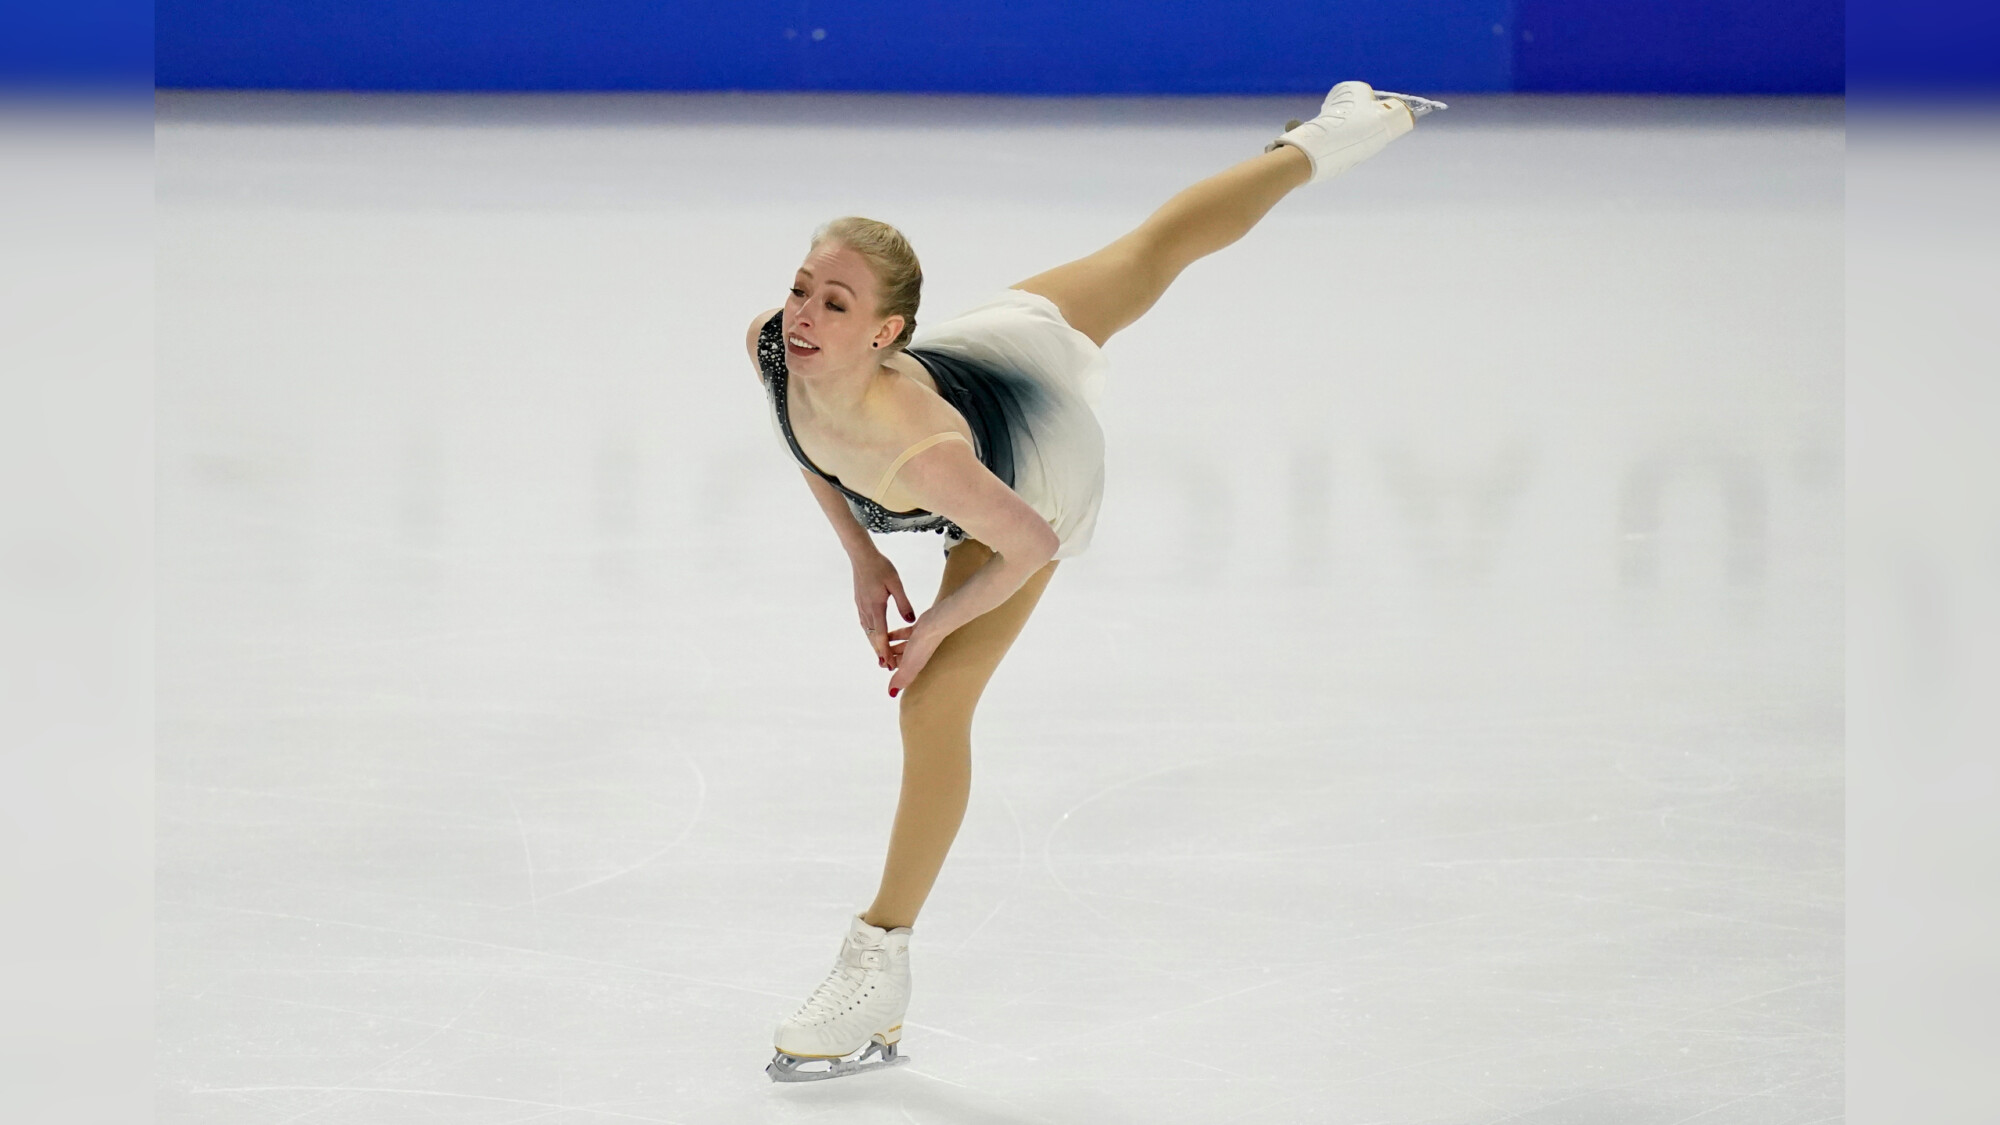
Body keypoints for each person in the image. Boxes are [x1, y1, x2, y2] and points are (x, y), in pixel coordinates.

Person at [750, 81, 1444, 1082]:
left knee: (930, 709)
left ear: (885, 333)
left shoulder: (930, 455)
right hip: (995, 354)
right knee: (1147, 251)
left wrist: (942, 619)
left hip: (1028, 471)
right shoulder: (776, 347)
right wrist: (862, 556)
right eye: (803, 287)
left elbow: (1027, 543)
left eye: (836, 303)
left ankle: (877, 965)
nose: (804, 315)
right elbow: (804, 434)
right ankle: (1339, 132)